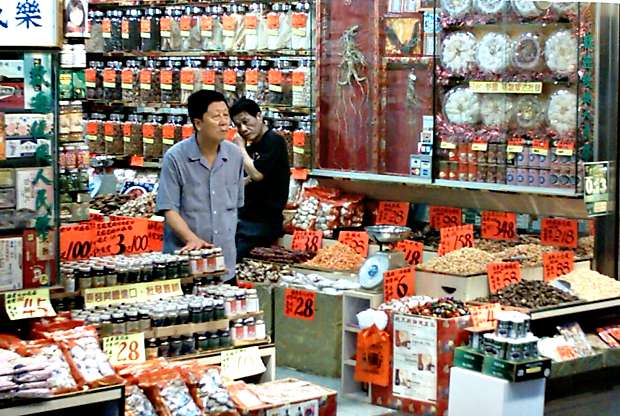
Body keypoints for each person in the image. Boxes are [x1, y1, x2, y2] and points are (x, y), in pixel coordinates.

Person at [156, 90, 244, 281]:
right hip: (187, 261)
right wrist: (191, 238)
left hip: (224, 263)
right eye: (215, 116)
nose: (224, 122)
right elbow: (168, 207)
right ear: (198, 123)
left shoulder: (235, 155)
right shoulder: (176, 157)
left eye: (226, 115)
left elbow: (236, 205)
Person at [230, 98, 291, 261]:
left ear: (258, 116)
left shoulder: (274, 141)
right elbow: (247, 179)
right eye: (238, 125)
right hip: (244, 219)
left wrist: (240, 148)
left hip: (263, 223)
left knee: (235, 261)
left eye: (246, 121)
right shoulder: (252, 147)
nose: (243, 129)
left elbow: (257, 174)